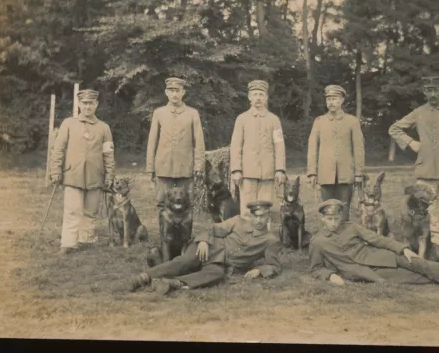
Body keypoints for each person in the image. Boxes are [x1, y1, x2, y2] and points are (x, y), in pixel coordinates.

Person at [308, 199, 439, 293]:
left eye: (336, 218)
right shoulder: (318, 241)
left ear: (342, 217)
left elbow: (378, 240)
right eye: (329, 219)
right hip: (367, 271)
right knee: (412, 276)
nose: (333, 223)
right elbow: (316, 268)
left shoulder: (351, 226)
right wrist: (330, 276)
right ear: (322, 218)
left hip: (381, 256)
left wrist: (403, 249)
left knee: (420, 263)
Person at [388, 75, 439, 267]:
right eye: (429, 90)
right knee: (429, 216)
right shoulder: (419, 112)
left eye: (436, 89)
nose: (433, 94)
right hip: (425, 174)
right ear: (424, 92)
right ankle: (435, 250)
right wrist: (411, 142)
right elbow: (394, 129)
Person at [122, 200, 283, 295]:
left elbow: (274, 265)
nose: (259, 220)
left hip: (221, 264)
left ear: (268, 216)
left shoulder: (270, 240)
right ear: (252, 215)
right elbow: (212, 229)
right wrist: (204, 241)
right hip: (209, 247)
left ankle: (173, 283)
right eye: (256, 216)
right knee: (185, 261)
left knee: (216, 275)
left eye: (263, 216)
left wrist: (259, 271)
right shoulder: (238, 221)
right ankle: (142, 278)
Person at [49, 89, 115, 255]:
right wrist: (55, 170)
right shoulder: (68, 124)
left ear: (96, 105)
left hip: (95, 175)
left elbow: (108, 153)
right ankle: (68, 244)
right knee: (72, 210)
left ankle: (86, 241)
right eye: (84, 103)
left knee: (91, 211)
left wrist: (109, 175)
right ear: (79, 104)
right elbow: (58, 149)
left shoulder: (104, 128)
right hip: (73, 174)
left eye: (91, 103)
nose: (87, 107)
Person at [146, 76, 205, 215]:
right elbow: (152, 142)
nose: (174, 94)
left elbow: (199, 141)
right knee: (162, 202)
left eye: (177, 90)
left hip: (185, 166)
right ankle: (165, 236)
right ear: (166, 92)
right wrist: (150, 167)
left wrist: (199, 166)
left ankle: (184, 236)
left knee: (186, 202)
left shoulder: (192, 113)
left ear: (183, 92)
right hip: (163, 166)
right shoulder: (159, 113)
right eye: (171, 90)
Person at [230, 80, 287, 222]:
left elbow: (279, 145)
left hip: (268, 171)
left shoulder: (274, 120)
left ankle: (264, 240)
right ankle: (247, 240)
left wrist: (280, 169)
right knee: (247, 210)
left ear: (266, 97)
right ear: (249, 97)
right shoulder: (241, 119)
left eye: (261, 94)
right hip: (247, 172)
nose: (258, 98)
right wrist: (236, 170)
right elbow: (236, 145)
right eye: (255, 94)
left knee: (265, 208)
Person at [306, 85, 365, 221]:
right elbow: (312, 148)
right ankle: (328, 238)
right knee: (327, 210)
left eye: (335, 99)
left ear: (342, 100)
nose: (331, 102)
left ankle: (344, 239)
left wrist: (358, 173)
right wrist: (312, 172)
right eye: (328, 99)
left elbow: (359, 149)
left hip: (346, 174)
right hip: (325, 174)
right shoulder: (319, 122)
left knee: (344, 210)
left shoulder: (352, 121)